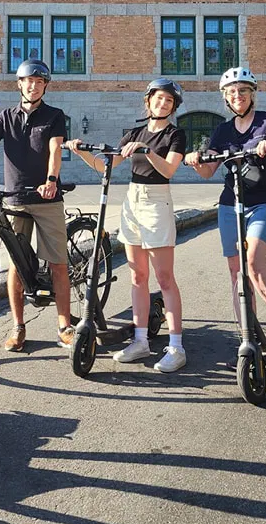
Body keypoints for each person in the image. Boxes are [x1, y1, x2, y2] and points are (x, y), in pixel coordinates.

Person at [65, 78, 187, 373]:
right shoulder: (134, 133)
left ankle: (176, 347)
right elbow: (107, 164)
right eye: (159, 98)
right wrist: (81, 152)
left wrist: (146, 151)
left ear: (173, 107)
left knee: (165, 277)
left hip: (157, 202)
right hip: (133, 201)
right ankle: (140, 340)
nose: (163, 104)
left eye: (169, 101)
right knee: (138, 275)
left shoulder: (175, 134)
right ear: (148, 100)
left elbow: (168, 169)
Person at [184, 66, 266, 358]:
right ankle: (247, 335)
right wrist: (196, 159)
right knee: (236, 271)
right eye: (232, 92)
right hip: (230, 204)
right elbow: (208, 170)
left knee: (253, 261)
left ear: (252, 94)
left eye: (243, 90)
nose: (238, 95)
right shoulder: (222, 131)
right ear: (225, 97)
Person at [0, 59, 73, 352]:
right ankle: (18, 327)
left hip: (46, 198)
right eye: (29, 81)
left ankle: (64, 326)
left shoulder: (54, 116)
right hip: (15, 199)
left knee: (58, 263)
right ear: (19, 84)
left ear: (45, 86)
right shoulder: (6, 117)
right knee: (16, 266)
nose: (33, 86)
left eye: (39, 82)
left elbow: (55, 149)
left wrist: (51, 179)